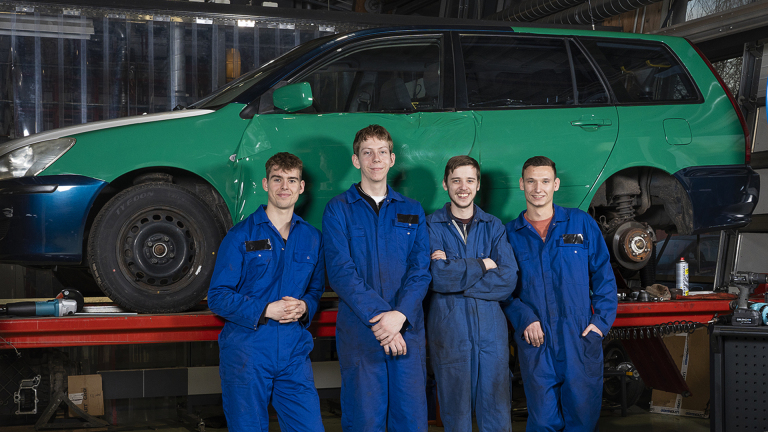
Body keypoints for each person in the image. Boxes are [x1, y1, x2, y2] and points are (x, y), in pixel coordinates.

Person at [322, 124, 431, 432]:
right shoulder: (338, 210)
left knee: (410, 420)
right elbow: (341, 272)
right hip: (362, 334)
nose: (375, 159)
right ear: (356, 160)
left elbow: (420, 270)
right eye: (367, 153)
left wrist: (399, 317)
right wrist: (383, 321)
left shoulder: (412, 210)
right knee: (364, 421)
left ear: (392, 159)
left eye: (382, 152)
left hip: (406, 332)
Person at [208, 152, 325, 432]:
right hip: (247, 351)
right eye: (277, 179)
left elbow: (316, 288)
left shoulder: (312, 237)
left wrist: (305, 306)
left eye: (291, 180)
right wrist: (265, 309)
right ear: (265, 183)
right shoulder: (240, 236)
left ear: (301, 187)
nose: (284, 186)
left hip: (293, 351)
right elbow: (218, 296)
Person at [502, 156, 617, 432]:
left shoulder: (580, 223)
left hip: (579, 337)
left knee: (582, 419)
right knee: (542, 421)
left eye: (544, 181)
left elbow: (604, 277)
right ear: (522, 184)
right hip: (536, 340)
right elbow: (504, 289)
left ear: (556, 184)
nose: (537, 188)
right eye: (531, 181)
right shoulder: (509, 235)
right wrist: (523, 318)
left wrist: (599, 326)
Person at [426, 155, 517, 432]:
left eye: (469, 180)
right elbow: (437, 277)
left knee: (497, 413)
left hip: (492, 335)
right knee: (455, 416)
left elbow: (508, 278)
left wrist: (457, 278)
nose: (462, 187)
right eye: (456, 180)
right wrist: (482, 265)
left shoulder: (494, 226)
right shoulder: (431, 226)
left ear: (478, 185)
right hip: (449, 334)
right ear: (445, 184)